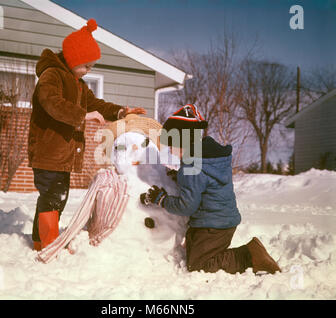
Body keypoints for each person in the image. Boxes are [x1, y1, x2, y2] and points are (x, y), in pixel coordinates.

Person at [28, 19, 145, 251]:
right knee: (52, 198)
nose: (88, 71)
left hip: (62, 154)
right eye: (86, 66)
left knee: (57, 198)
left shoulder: (78, 85)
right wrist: (83, 115)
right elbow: (52, 103)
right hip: (48, 150)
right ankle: (47, 243)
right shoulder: (51, 75)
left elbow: (96, 104)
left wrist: (121, 111)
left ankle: (41, 241)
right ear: (72, 58)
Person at [141, 104, 281, 275]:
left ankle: (249, 254)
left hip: (213, 226)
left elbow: (187, 206)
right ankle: (212, 249)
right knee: (192, 254)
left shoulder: (191, 166)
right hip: (218, 220)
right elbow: (203, 181)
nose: (169, 149)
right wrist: (179, 177)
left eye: (171, 143)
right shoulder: (207, 157)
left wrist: (161, 199)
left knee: (200, 266)